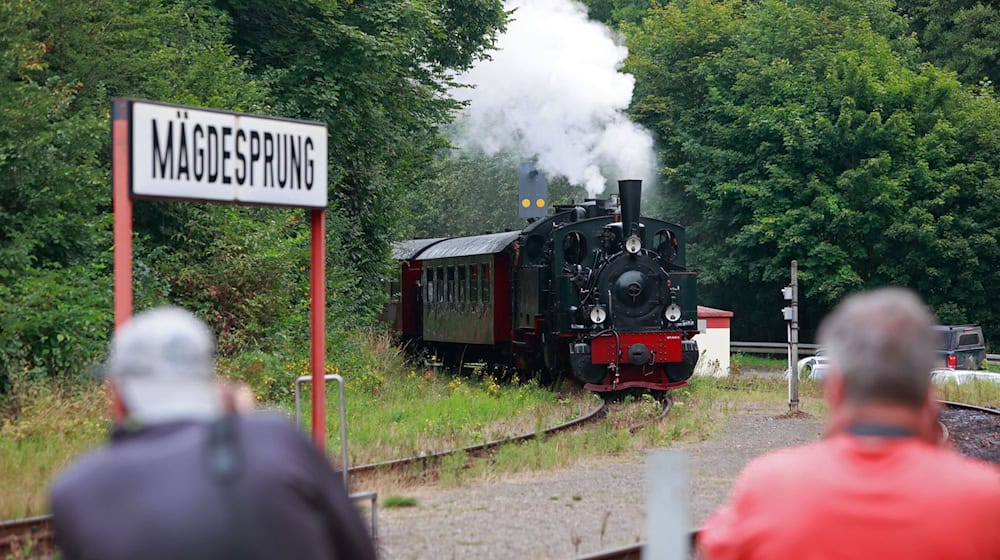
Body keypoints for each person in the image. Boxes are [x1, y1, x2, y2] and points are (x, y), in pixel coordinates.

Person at [50, 307, 375, 560]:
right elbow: (358, 549)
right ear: (214, 380)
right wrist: (245, 426)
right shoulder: (277, 439)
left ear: (116, 392)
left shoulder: (77, 489)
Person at [698, 287, 1000, 559]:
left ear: (836, 389)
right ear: (930, 394)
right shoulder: (987, 500)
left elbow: (714, 548)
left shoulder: (768, 484)